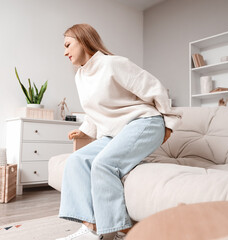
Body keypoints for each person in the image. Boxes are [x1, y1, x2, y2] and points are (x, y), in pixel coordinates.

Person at [56, 23, 182, 240]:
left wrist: (169, 122)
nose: (65, 51)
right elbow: (96, 111)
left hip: (145, 123)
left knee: (103, 164)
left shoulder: (112, 64)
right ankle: (91, 227)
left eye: (68, 45)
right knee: (76, 161)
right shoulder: (80, 76)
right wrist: (85, 130)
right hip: (116, 132)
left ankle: (120, 230)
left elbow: (154, 87)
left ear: (83, 39)